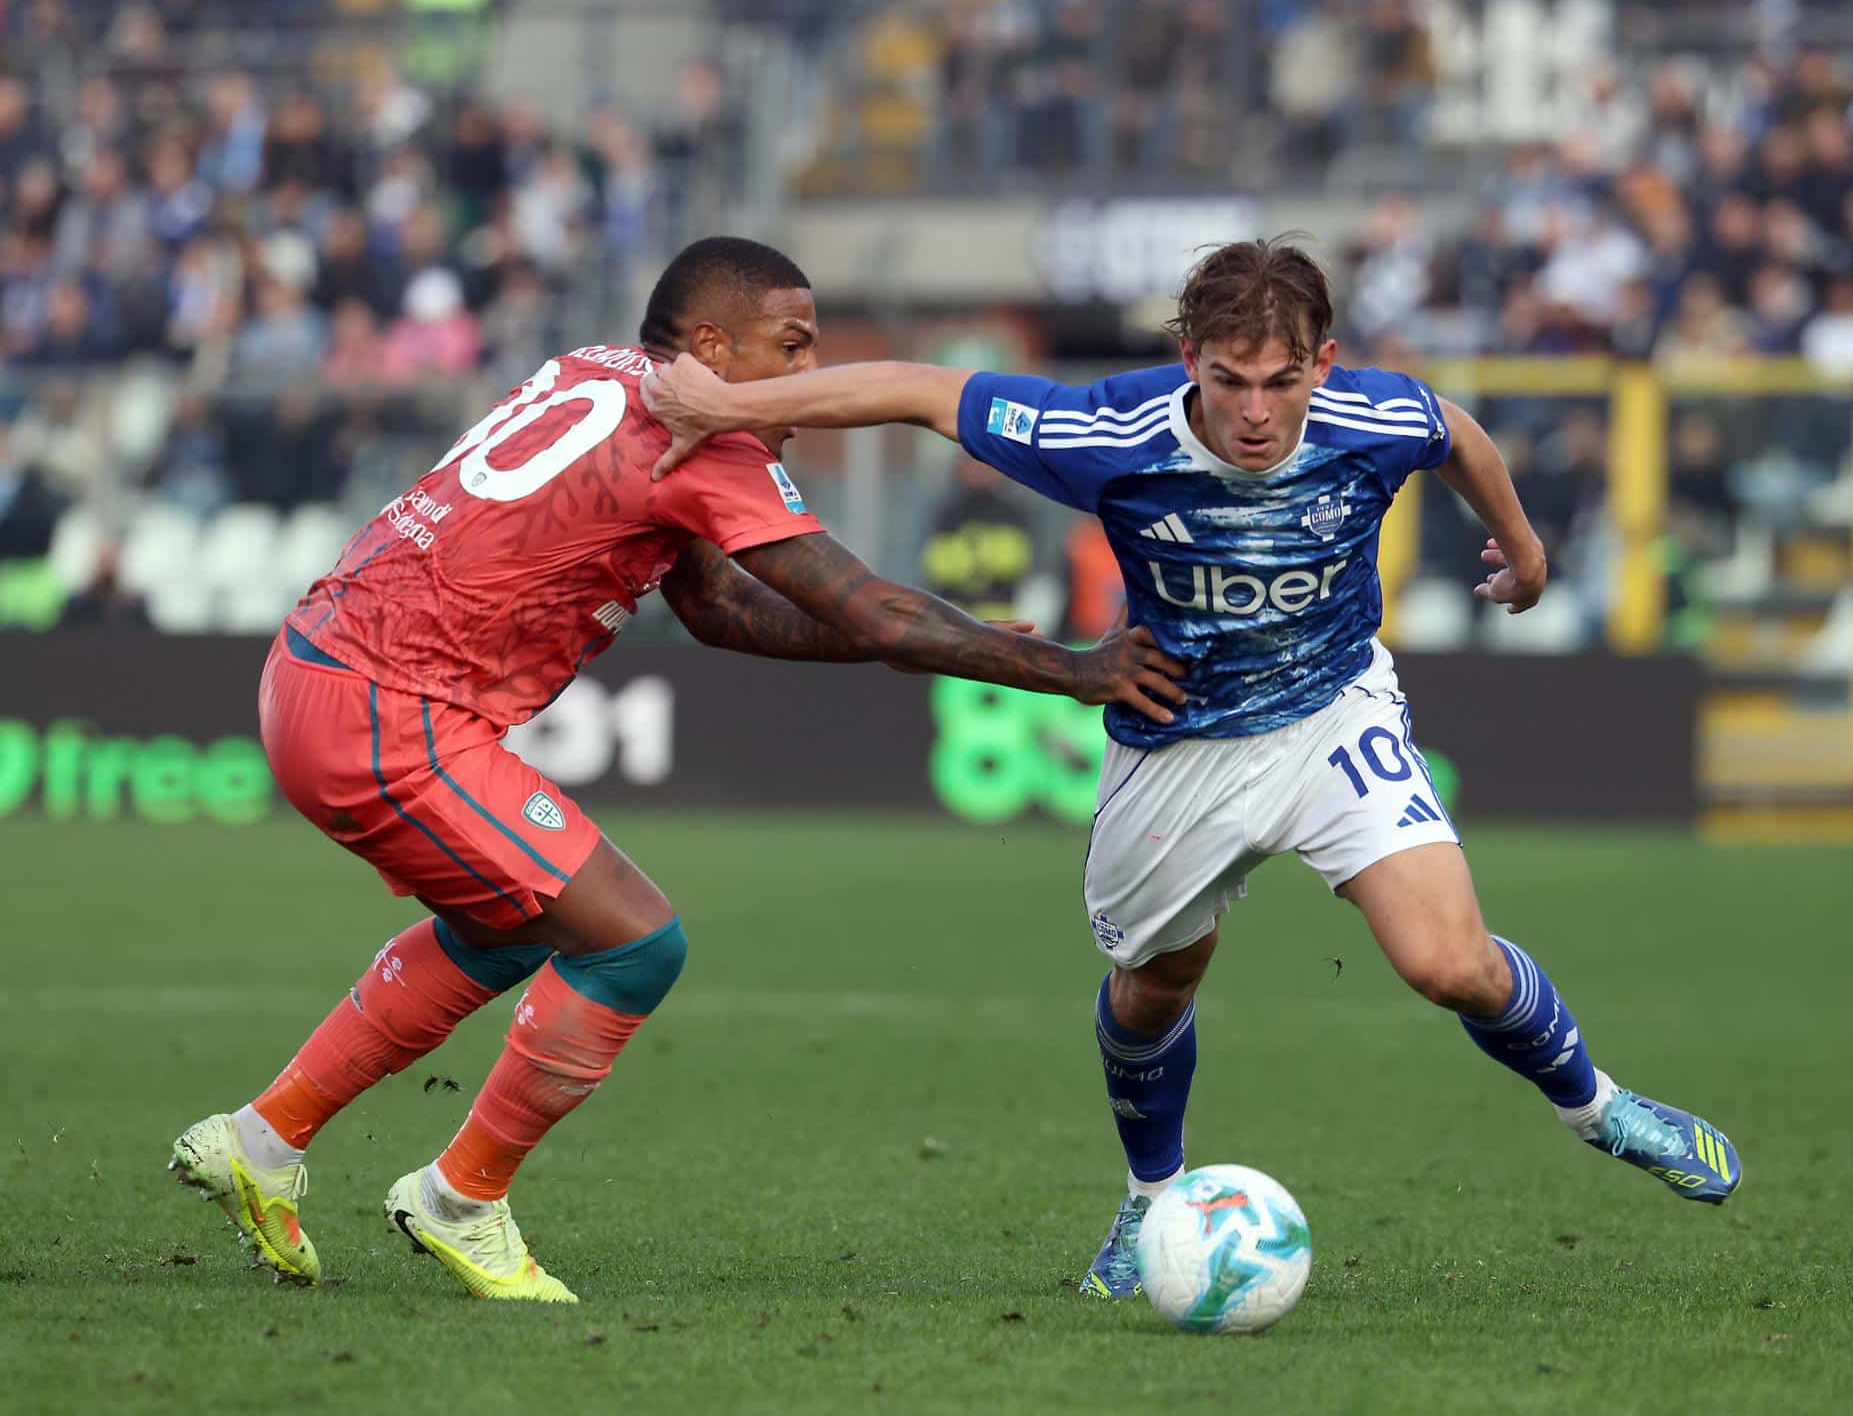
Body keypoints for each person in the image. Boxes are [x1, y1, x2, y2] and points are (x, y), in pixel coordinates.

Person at [639, 236, 1743, 1302]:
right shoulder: (1106, 433)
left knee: (1450, 961)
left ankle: (1599, 1107)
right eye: (1229, 383)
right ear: (1189, 366)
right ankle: (1148, 1196)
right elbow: (926, 390)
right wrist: (731, 408)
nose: (1256, 413)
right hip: (1175, 734)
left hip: (1331, 712)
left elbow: (1455, 433)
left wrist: (1528, 547)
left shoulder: (1372, 413)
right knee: (1159, 982)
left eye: (1279, 382)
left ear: (1322, 363)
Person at [169, 237, 1186, 1304]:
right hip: (391, 708)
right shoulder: (710, 450)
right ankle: (461, 1198)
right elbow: (870, 604)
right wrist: (1070, 668)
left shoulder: (595, 368)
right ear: (711, 346)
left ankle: (262, 1139)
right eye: (790, 349)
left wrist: (923, 636)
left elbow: (719, 609)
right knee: (636, 941)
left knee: (512, 922)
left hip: (314, 671)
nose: (811, 378)